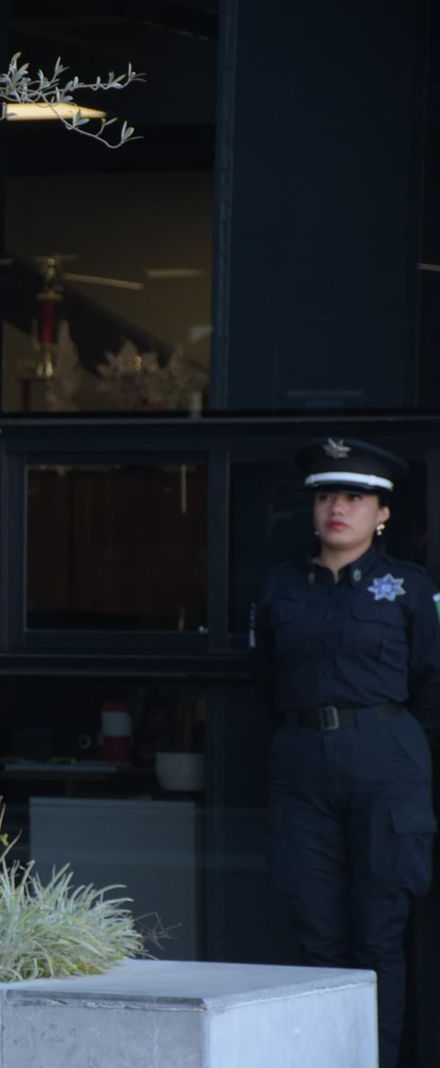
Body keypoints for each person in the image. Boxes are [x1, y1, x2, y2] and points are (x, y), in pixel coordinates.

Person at [253, 437, 440, 1068]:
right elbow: (265, 680)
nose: (338, 508)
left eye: (354, 497)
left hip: (386, 766)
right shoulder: (279, 589)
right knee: (316, 938)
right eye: (327, 495)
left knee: (380, 939)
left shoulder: (410, 590)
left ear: (382, 512)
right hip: (301, 768)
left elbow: (431, 681)